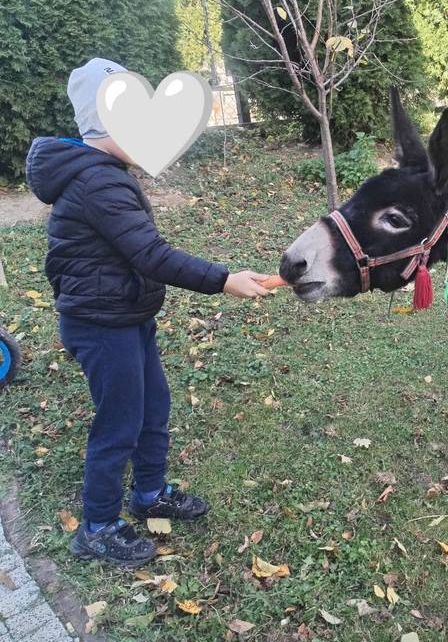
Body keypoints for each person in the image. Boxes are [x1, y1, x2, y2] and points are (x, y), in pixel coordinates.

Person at [26, 58, 270, 567]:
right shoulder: (98, 183)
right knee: (120, 423)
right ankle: (96, 528)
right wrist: (223, 279)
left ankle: (149, 495)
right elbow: (150, 254)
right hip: (100, 325)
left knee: (152, 408)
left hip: (124, 315)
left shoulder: (105, 173)